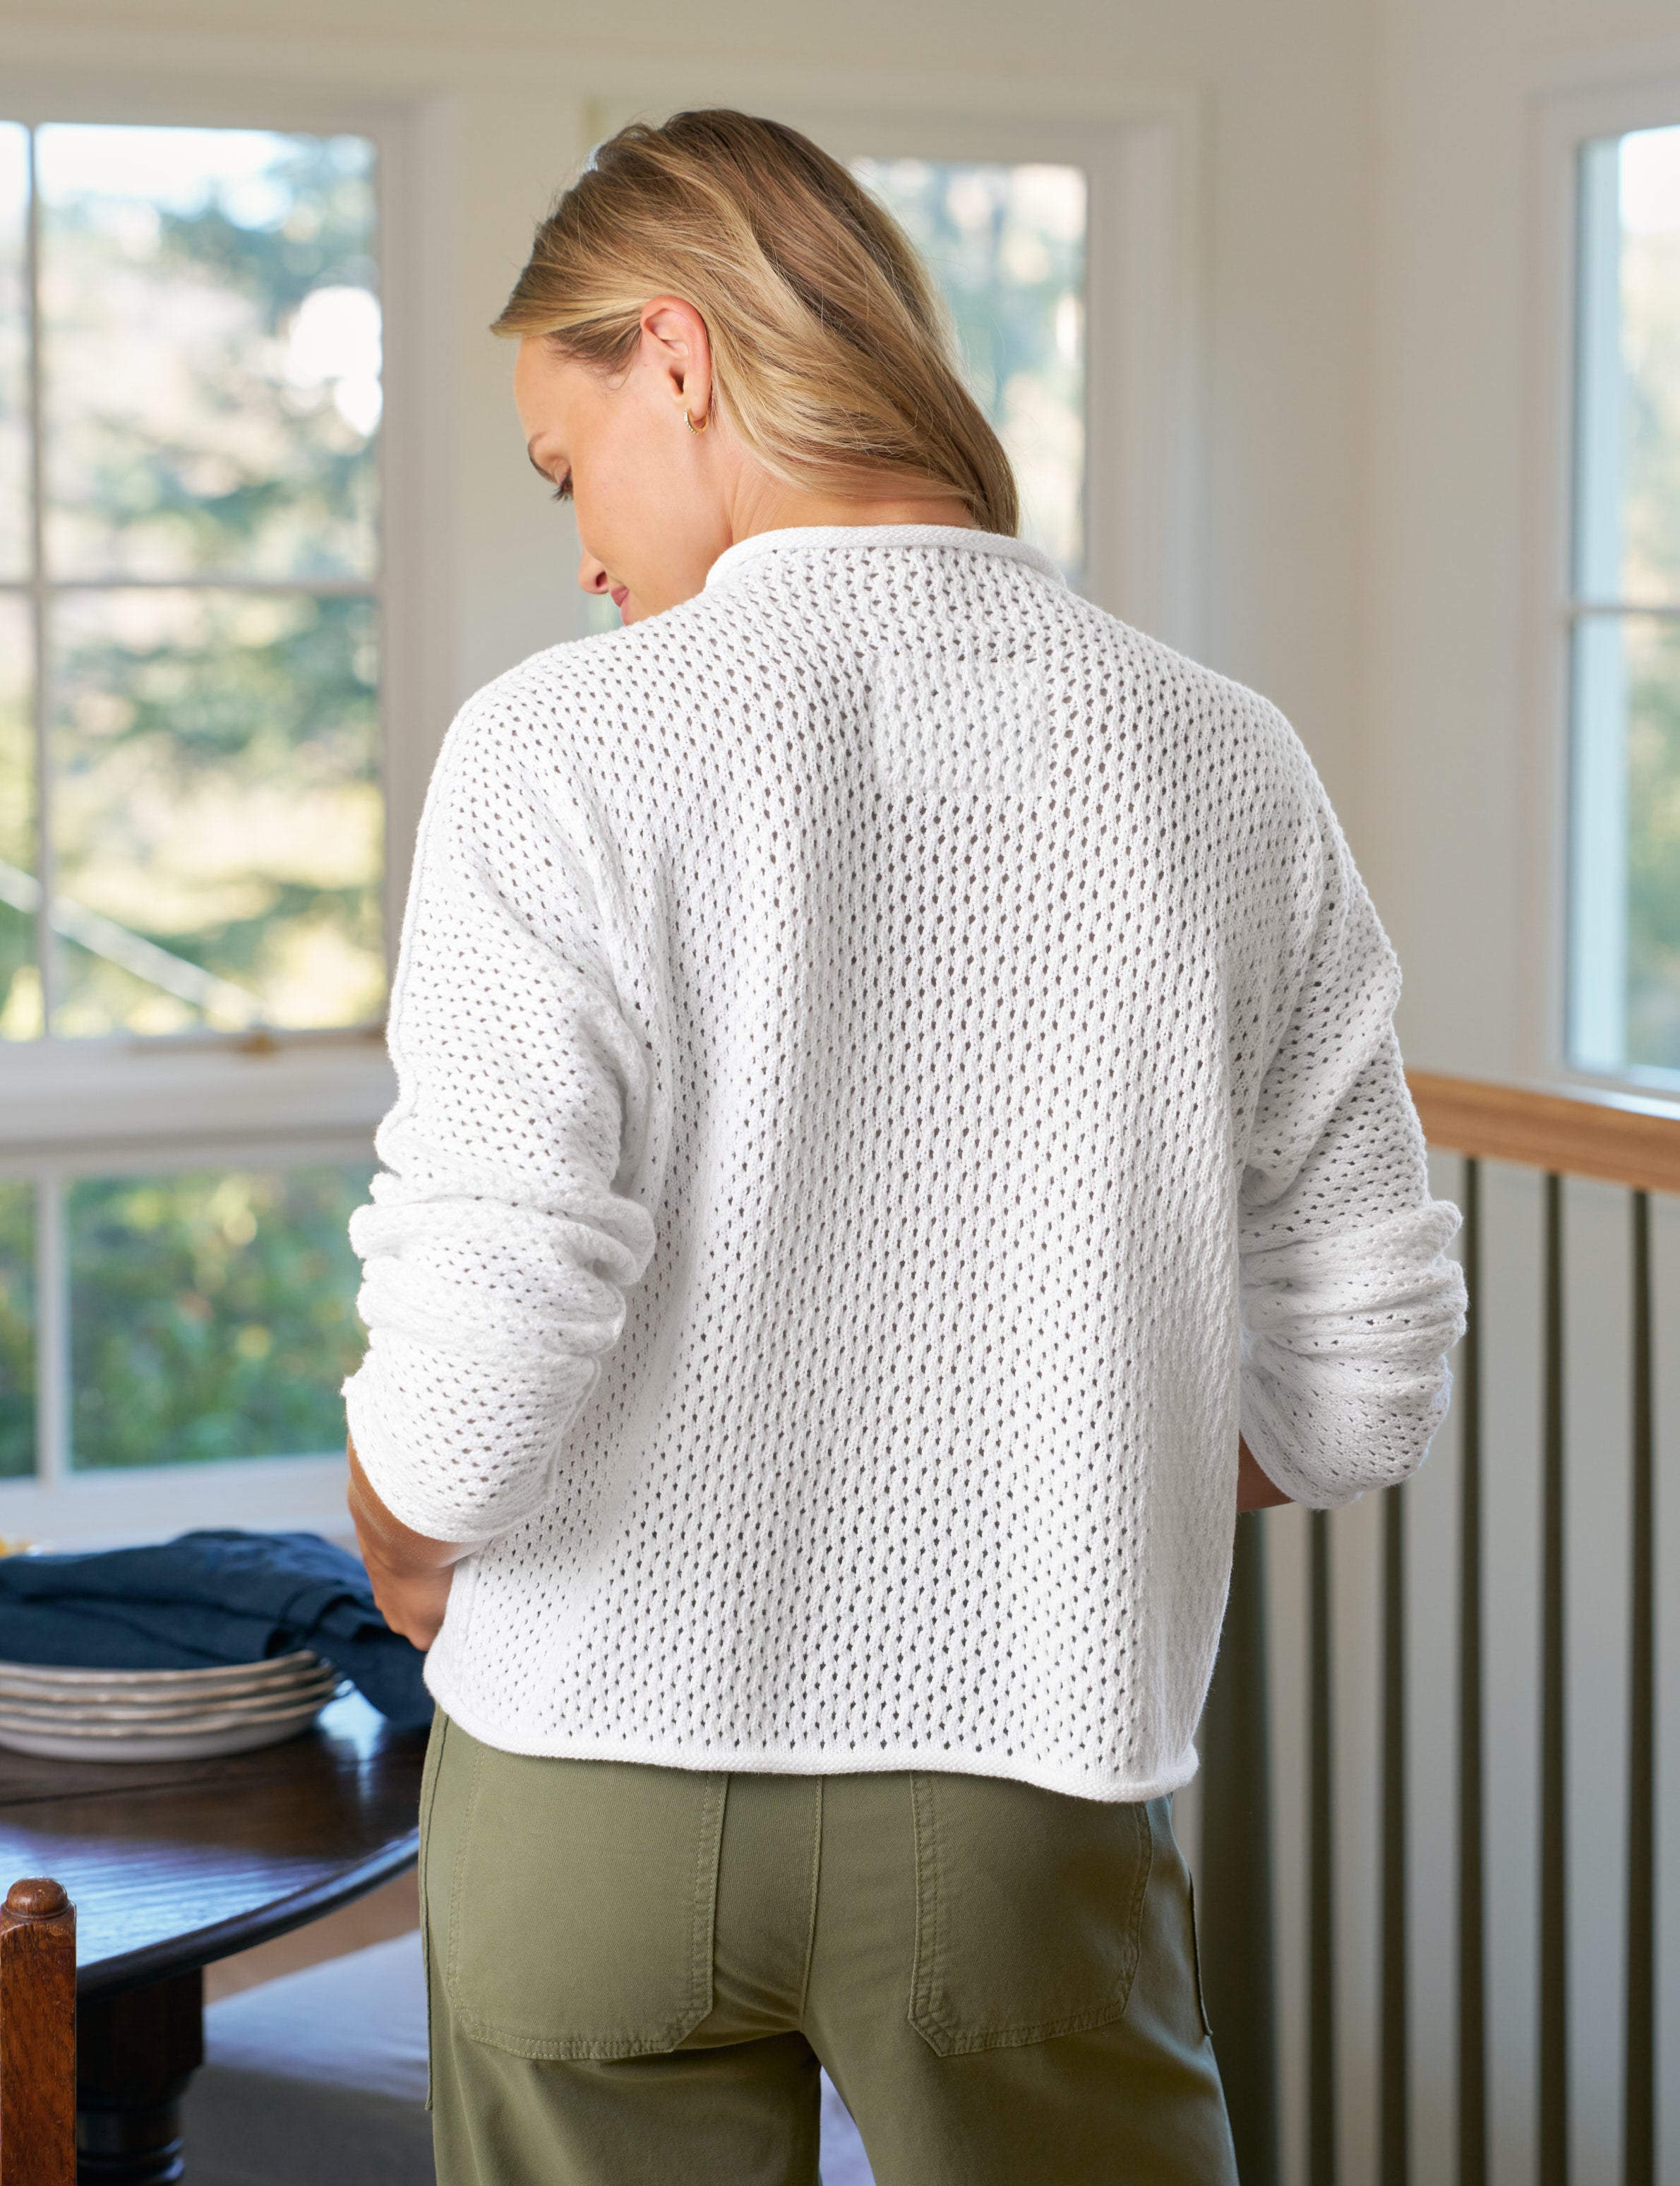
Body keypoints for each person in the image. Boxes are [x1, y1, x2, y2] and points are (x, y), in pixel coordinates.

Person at [341, 108, 1468, 2186]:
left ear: (673, 359)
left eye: (561, 461)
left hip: (585, 1769)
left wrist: (397, 1533)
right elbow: (1367, 1372)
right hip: (1022, 1787)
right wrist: (1060, 1452)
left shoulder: (553, 747)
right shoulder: (1213, 754)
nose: (580, 547)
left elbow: (482, 1344)